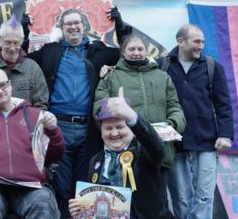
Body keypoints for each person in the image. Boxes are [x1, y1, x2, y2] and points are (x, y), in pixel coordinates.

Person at [21, 7, 127, 218]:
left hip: (89, 129)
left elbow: (125, 52)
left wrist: (120, 26)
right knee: (60, 186)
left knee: (85, 186)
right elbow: (22, 57)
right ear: (62, 27)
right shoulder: (51, 50)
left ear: (83, 26)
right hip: (58, 127)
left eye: (76, 22)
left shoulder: (97, 51)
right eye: (67, 23)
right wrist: (24, 31)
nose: (73, 27)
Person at [94, 33, 185, 214]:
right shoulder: (111, 77)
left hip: (158, 153)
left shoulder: (162, 77)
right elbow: (98, 110)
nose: (136, 53)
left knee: (157, 205)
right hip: (124, 156)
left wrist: (172, 124)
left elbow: (175, 107)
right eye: (131, 49)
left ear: (146, 51)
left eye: (140, 49)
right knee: (122, 207)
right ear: (123, 52)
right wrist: (118, 122)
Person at [0, 68, 65, 219]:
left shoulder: (34, 115)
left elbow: (55, 155)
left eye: (3, 85)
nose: (0, 91)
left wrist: (53, 130)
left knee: (43, 204)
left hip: (29, 186)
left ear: (10, 84)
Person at [158, 24, 233, 219]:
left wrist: (225, 134)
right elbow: (135, 68)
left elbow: (223, 104)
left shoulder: (212, 66)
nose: (201, 46)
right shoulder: (162, 65)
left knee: (204, 196)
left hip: (206, 140)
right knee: (181, 197)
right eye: (196, 41)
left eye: (203, 42)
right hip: (174, 141)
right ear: (180, 41)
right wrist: (109, 68)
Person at [69, 88, 171, 219]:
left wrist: (132, 117)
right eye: (108, 128)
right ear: (101, 132)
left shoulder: (144, 151)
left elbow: (157, 148)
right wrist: (79, 210)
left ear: (132, 129)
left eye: (120, 127)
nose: (114, 133)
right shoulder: (95, 161)